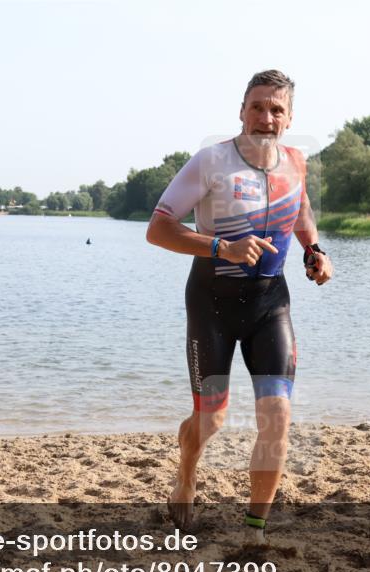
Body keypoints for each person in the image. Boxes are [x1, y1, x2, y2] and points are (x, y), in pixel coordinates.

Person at [146, 69, 333, 541]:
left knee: (278, 414)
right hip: (212, 304)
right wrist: (219, 247)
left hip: (270, 305)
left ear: (289, 118)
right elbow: (158, 228)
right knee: (211, 418)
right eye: (257, 107)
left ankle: (254, 532)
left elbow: (302, 209)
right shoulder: (210, 161)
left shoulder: (296, 161)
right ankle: (186, 474)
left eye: (276, 109)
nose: (265, 117)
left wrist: (314, 251)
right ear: (241, 110)